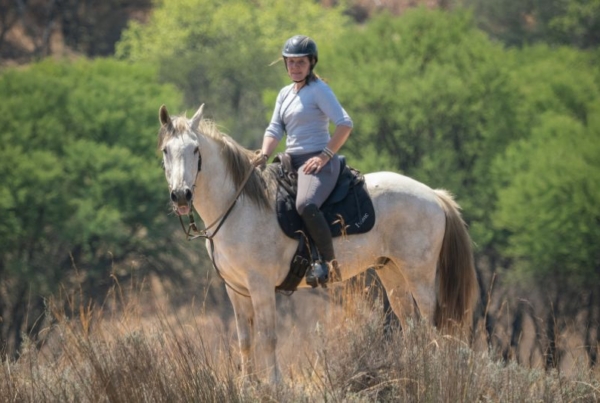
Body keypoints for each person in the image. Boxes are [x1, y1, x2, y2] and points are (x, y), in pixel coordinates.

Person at [254, 34, 353, 287]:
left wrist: (324, 155)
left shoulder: (319, 90)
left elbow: (345, 124)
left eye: (301, 62)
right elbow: (275, 128)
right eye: (290, 62)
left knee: (306, 204)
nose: (295, 67)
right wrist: (264, 155)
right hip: (290, 161)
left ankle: (328, 264)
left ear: (311, 63)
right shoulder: (284, 93)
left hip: (320, 162)